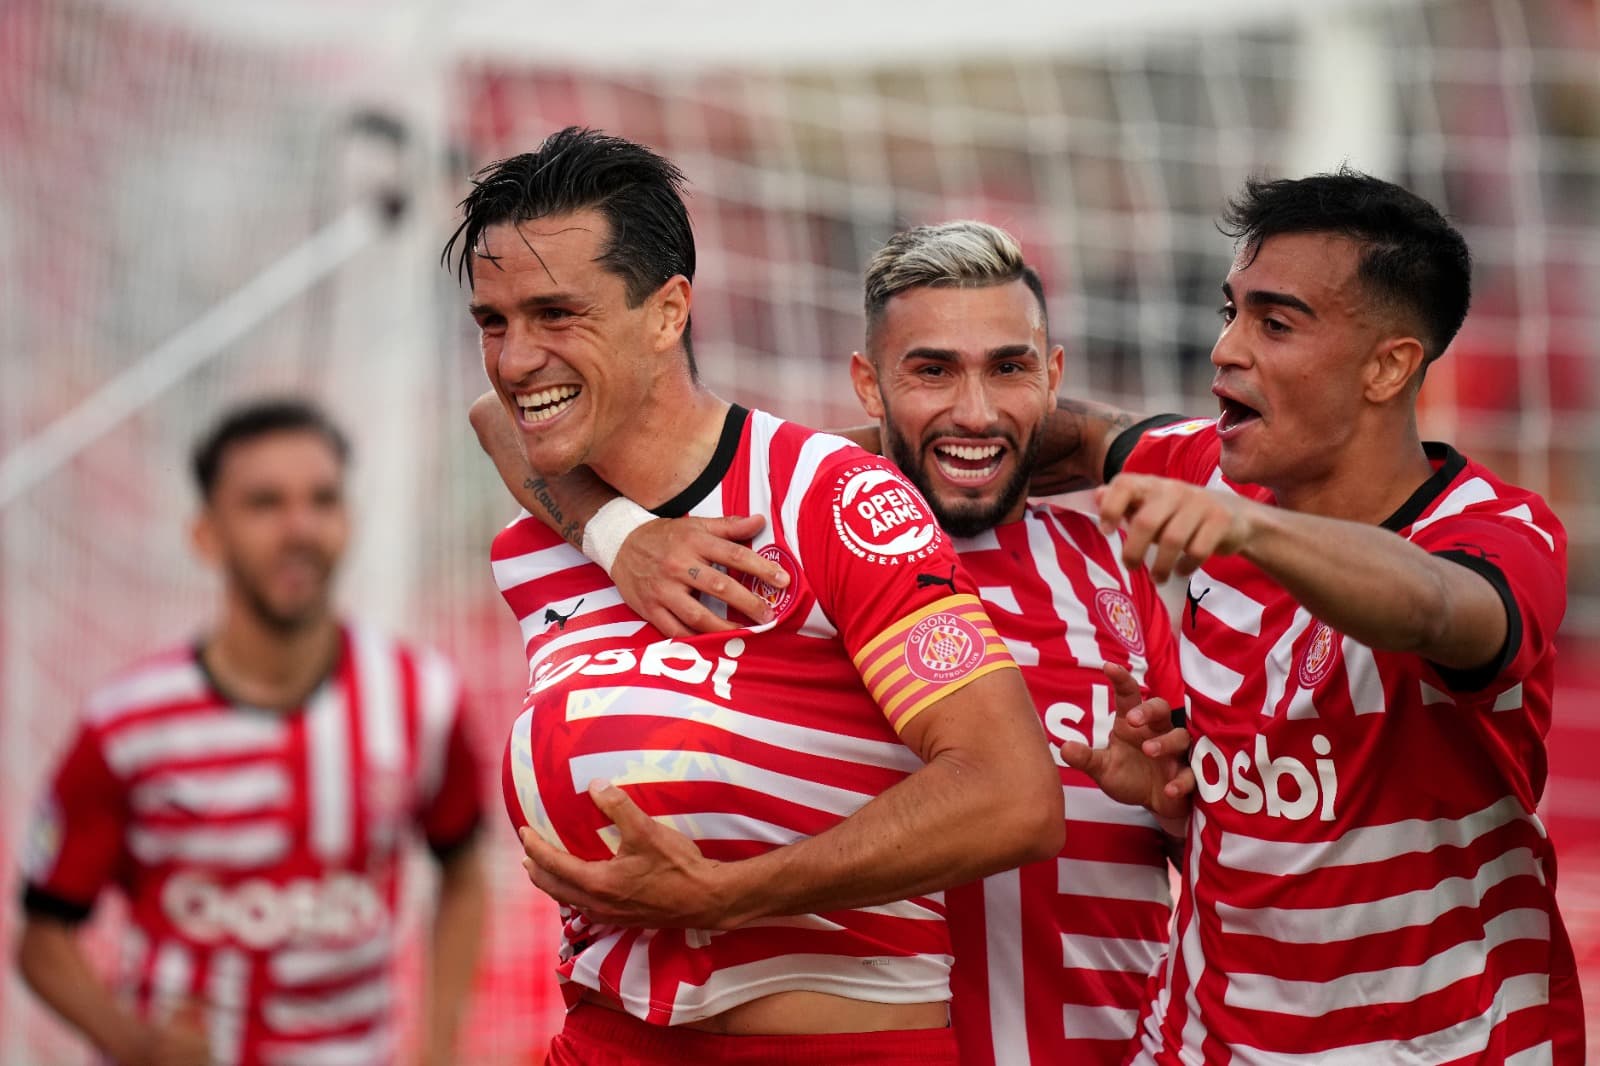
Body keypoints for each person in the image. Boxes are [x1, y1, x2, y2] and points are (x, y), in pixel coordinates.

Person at [474, 219, 1190, 1065]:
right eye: (930, 371)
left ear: (1054, 377)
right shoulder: (782, 533)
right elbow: (503, 411)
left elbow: (1236, 842)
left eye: (1010, 368)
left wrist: (1184, 809)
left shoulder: (1118, 578)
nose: (975, 409)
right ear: (868, 386)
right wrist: (616, 531)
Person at [1051, 170, 1582, 1063]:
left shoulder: (1499, 535)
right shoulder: (1205, 475)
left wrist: (1257, 528)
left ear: (1389, 366)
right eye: (1231, 312)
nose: (1225, 349)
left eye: (1275, 323)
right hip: (1202, 1042)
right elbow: (1035, 433)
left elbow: (1433, 604)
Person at [14, 399, 487, 1066]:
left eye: (322, 500)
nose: (300, 528)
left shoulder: (423, 699)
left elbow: (464, 873)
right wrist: (138, 1045)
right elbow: (42, 938)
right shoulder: (126, 724)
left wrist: (438, 1049)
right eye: (265, 503)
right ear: (206, 534)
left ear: (347, 521)